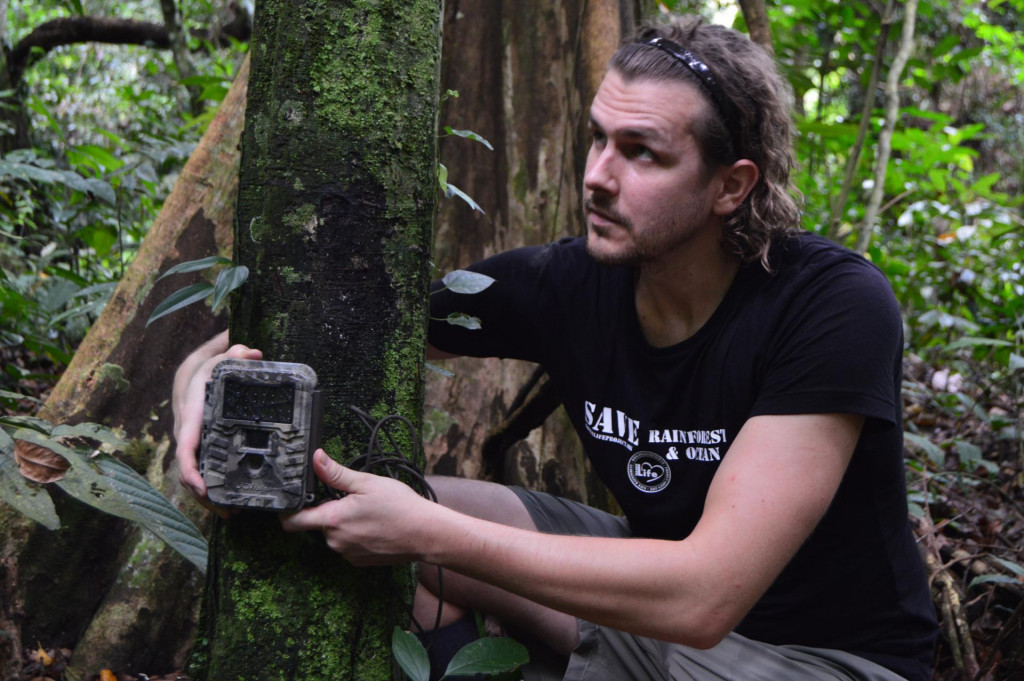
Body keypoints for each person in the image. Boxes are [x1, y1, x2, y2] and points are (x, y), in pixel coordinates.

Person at [173, 15, 938, 681]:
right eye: (598, 138)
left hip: (823, 659)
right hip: (656, 613)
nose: (598, 177)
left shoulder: (831, 305)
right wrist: (199, 388)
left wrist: (430, 531)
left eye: (642, 152)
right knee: (382, 525)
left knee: (428, 532)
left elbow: (706, 595)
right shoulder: (574, 282)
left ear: (731, 186)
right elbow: (284, 337)